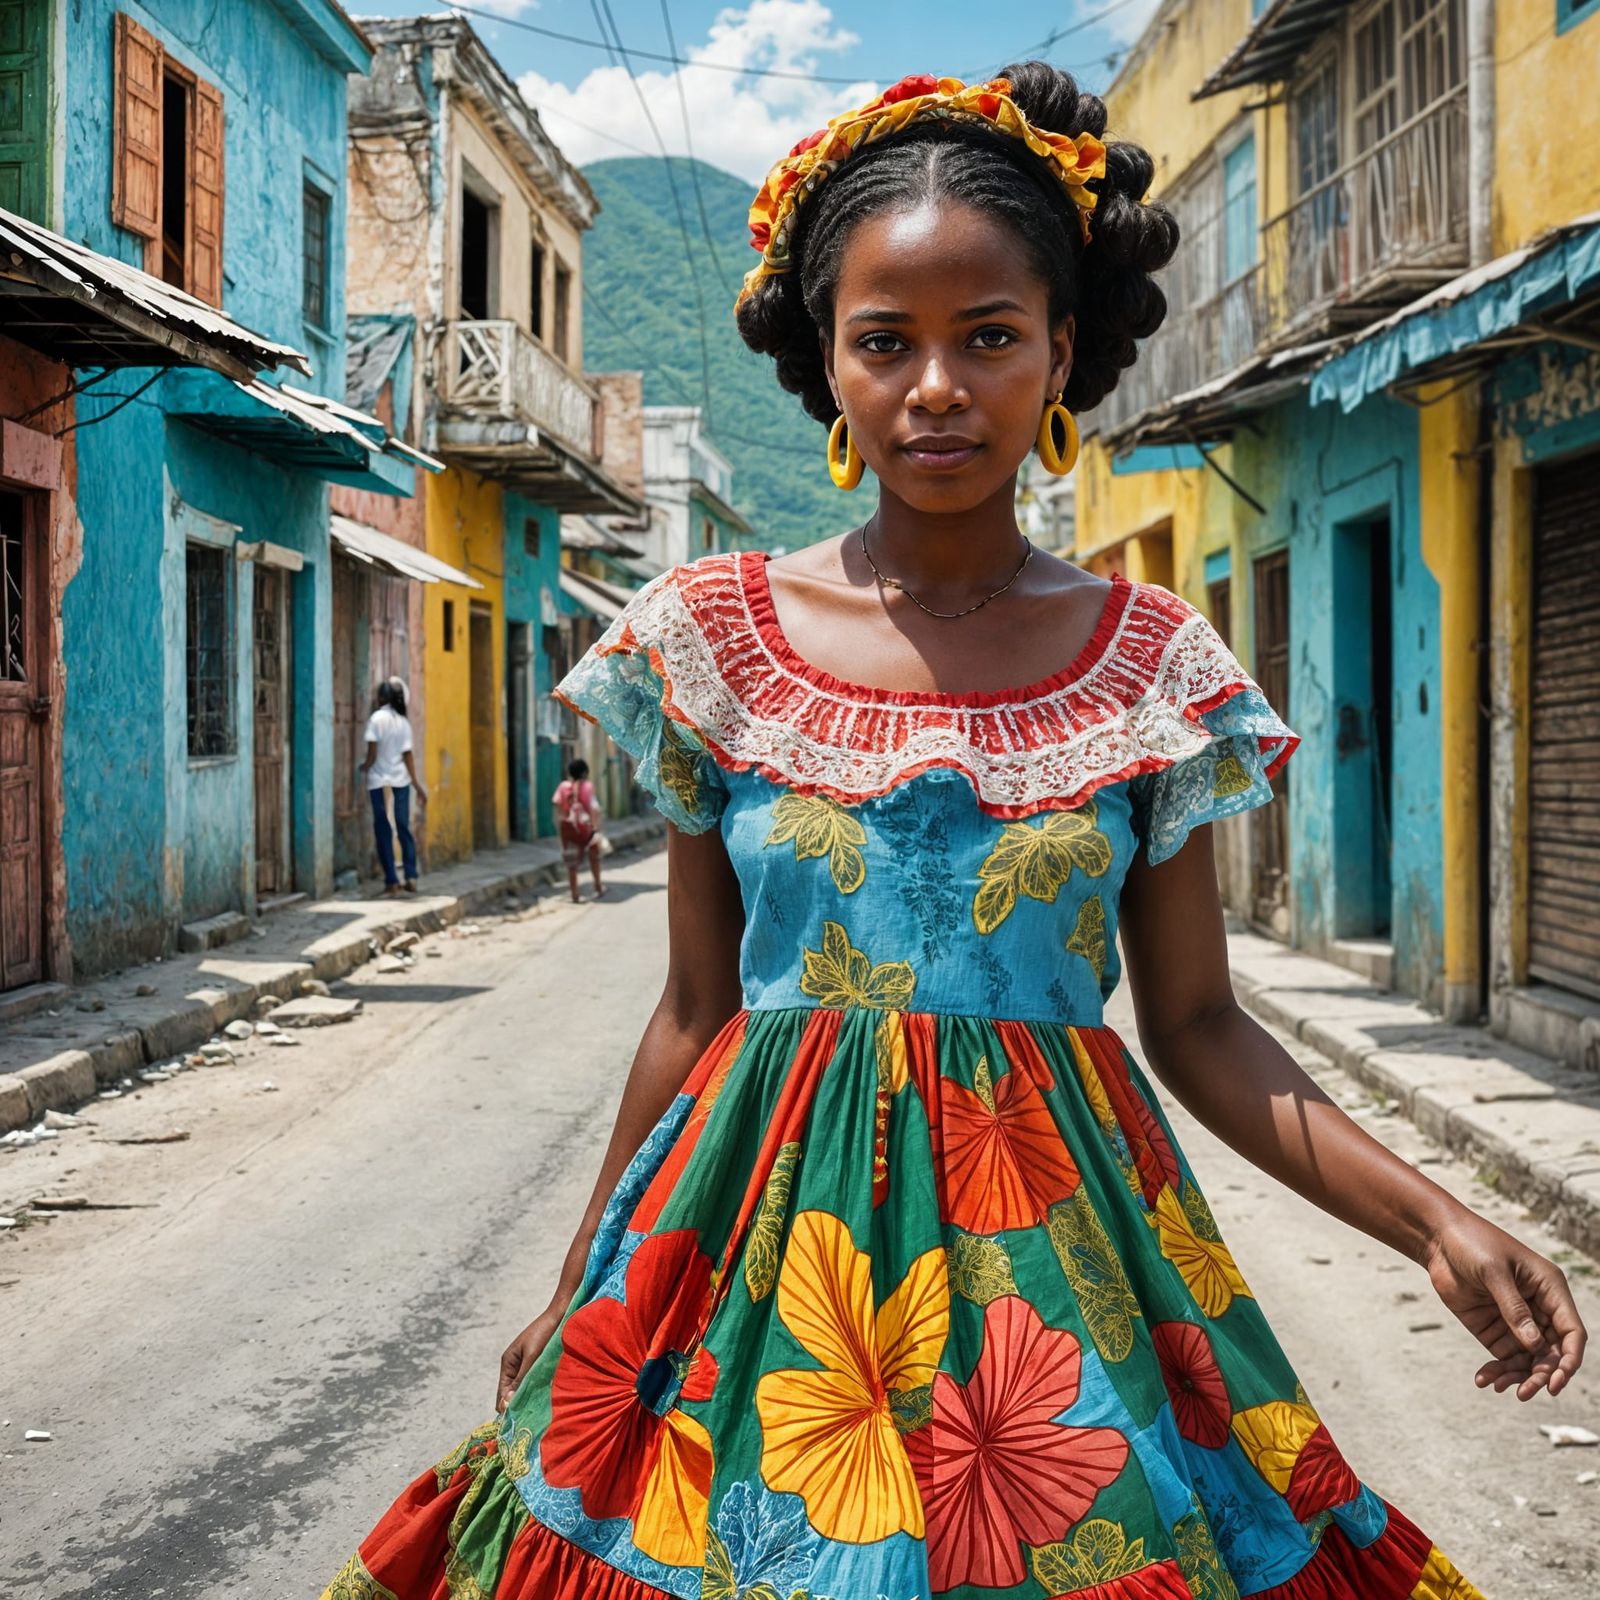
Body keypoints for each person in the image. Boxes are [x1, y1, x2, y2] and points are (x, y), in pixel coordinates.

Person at [322, 66, 1582, 1600]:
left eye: (988, 337)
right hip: (758, 1274)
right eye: (885, 342)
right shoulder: (710, 638)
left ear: (1063, 352)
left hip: (1062, 1289)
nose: (937, 386)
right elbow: (695, 1012)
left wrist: (1433, 1219)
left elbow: (1194, 1021)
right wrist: (586, 1278)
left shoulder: (1154, 662)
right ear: (829, 371)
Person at [361, 677, 425, 897]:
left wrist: (364, 767)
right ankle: (411, 875)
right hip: (401, 779)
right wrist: (417, 785)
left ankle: (392, 881)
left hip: (378, 780)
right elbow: (408, 756)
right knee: (403, 827)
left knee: (383, 829)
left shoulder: (376, 719)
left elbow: (372, 753)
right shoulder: (403, 722)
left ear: (381, 697)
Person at [552, 757, 605, 902]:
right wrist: (596, 829)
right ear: (585, 772)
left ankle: (575, 894)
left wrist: (563, 824)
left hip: (568, 829)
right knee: (594, 858)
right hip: (586, 829)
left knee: (571, 863)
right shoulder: (588, 786)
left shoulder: (563, 787)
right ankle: (598, 888)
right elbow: (594, 808)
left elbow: (556, 805)